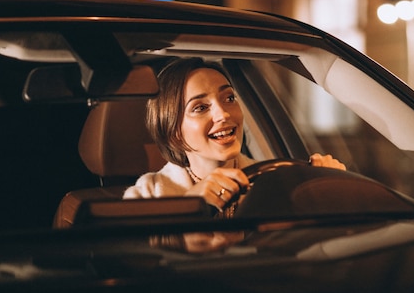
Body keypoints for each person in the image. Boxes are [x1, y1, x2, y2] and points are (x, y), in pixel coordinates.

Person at [124, 57, 346, 217]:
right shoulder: (147, 196)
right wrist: (188, 208)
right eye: (200, 107)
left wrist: (331, 193)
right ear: (173, 131)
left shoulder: (276, 181)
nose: (224, 114)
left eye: (229, 98)